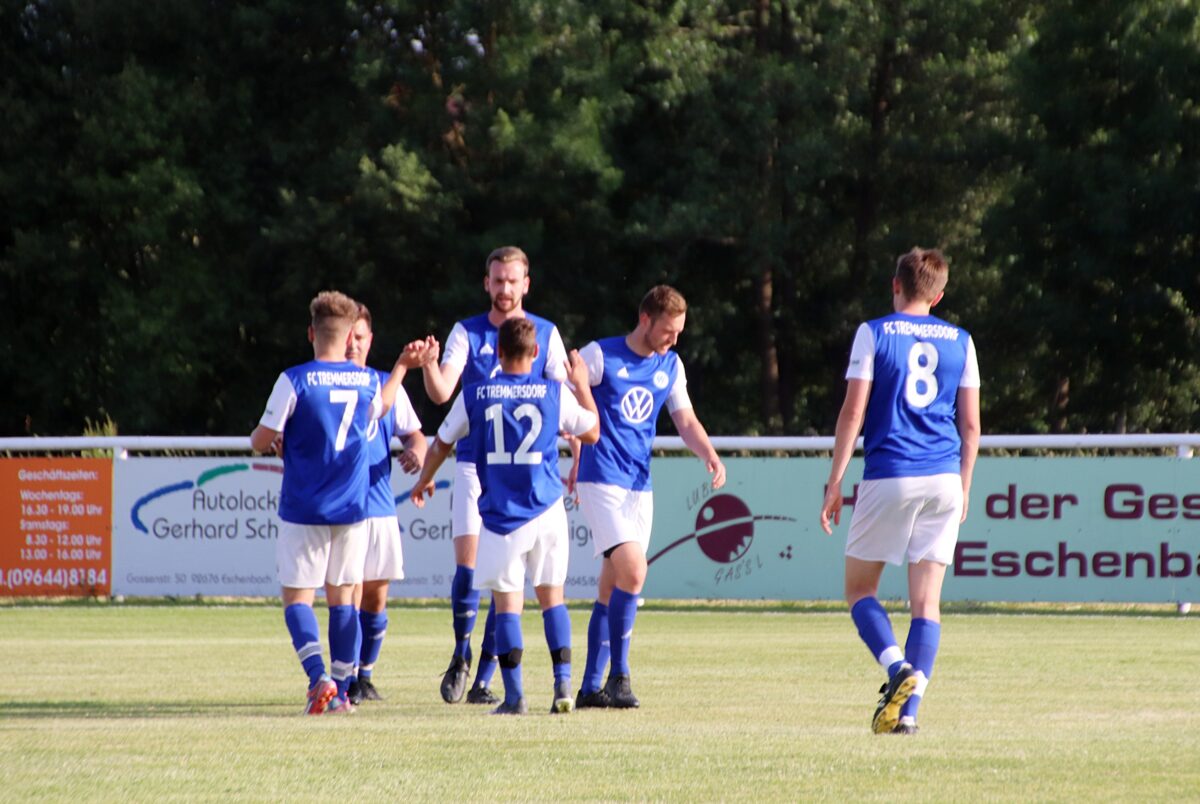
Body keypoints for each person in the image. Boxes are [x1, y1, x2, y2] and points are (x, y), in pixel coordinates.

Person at [819, 247, 980, 735]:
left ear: (895, 285)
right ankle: (907, 716)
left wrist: (835, 480)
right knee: (927, 604)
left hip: (892, 472)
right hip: (945, 477)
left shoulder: (874, 333)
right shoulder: (962, 341)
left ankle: (897, 668)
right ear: (939, 295)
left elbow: (853, 412)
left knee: (858, 590)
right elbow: (971, 426)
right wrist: (965, 486)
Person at [412, 318, 599, 714]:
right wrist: (581, 385)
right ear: (536, 353)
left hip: (501, 516)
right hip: (547, 511)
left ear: (497, 353)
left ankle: (515, 697)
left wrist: (423, 481)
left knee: (508, 606)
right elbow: (592, 431)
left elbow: (441, 443)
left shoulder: (476, 394)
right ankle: (563, 684)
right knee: (553, 600)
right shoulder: (553, 392)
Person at [416, 246, 569, 705]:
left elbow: (563, 401)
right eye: (497, 280)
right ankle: (461, 654)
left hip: (526, 475)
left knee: (506, 578)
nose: (504, 289)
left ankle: (486, 677)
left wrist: (577, 458)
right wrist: (429, 364)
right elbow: (442, 391)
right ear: (487, 283)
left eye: (512, 281)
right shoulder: (467, 331)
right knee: (471, 570)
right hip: (473, 465)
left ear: (526, 284)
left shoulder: (546, 333)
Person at [249, 290, 407, 715]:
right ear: (349, 335)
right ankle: (340, 692)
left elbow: (261, 440)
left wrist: (273, 436)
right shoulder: (368, 382)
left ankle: (319, 677)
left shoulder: (295, 379)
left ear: (311, 333)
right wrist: (401, 368)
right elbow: (385, 405)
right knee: (344, 600)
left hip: (304, 508)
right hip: (353, 510)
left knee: (298, 600)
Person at [572, 285, 726, 709]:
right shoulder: (600, 355)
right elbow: (566, 404)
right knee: (635, 572)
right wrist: (574, 454)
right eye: (668, 331)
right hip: (600, 479)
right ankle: (619, 677)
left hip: (639, 486)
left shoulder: (670, 365)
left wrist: (709, 454)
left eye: (679, 333)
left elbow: (686, 420)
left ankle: (589, 688)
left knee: (612, 585)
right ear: (645, 320)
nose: (674, 340)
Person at [343, 303, 428, 704]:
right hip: (343, 510)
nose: (352, 345)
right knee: (350, 593)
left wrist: (417, 453)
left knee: (376, 598)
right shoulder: (326, 384)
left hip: (380, 507)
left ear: (370, 340)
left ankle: (365, 675)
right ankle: (345, 676)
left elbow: (415, 435)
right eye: (346, 337)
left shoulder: (385, 383)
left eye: (359, 337)